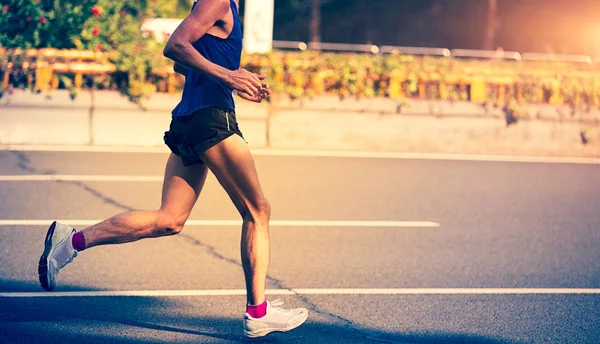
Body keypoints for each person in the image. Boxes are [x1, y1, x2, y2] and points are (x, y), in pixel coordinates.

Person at [37, 0, 308, 338]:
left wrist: (230, 79)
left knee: (170, 219)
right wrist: (228, 76)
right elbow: (175, 45)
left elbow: (186, 63)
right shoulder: (219, 1)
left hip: (190, 120)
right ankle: (258, 313)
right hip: (211, 120)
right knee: (258, 211)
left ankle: (70, 243)